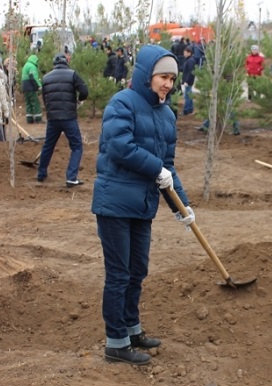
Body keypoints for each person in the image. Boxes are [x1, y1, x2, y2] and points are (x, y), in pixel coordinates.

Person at [92, 45, 194, 365]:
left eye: (172, 78)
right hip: (115, 203)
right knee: (119, 274)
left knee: (138, 270)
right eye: (163, 76)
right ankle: (116, 342)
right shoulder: (122, 103)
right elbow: (120, 147)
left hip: (143, 204)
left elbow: (167, 166)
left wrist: (182, 205)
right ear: (146, 74)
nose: (168, 83)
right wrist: (156, 169)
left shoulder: (166, 114)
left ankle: (132, 330)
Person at [37, 53, 89, 187]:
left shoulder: (46, 78)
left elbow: (44, 98)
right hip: (68, 117)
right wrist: (79, 101)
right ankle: (71, 177)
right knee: (77, 146)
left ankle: (41, 174)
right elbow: (84, 91)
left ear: (54, 64)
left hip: (52, 118)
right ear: (66, 62)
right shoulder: (72, 74)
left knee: (48, 145)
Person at [21, 54, 43, 124]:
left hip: (25, 87)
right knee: (35, 103)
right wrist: (39, 86)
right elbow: (33, 77)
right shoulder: (32, 66)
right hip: (31, 87)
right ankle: (38, 119)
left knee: (28, 103)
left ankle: (29, 119)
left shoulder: (25, 65)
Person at [181, 46, 196, 116]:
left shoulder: (190, 61)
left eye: (185, 53)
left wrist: (186, 81)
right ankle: (190, 109)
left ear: (189, 53)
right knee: (189, 95)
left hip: (188, 81)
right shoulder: (189, 60)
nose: (184, 54)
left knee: (187, 96)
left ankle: (187, 110)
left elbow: (190, 72)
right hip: (188, 81)